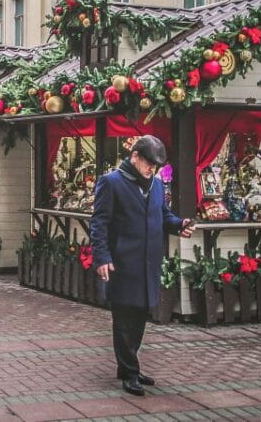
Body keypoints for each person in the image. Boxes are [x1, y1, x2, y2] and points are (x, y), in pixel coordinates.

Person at [90, 135, 195, 397]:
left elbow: (163, 214)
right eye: (149, 164)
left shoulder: (156, 185)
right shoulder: (110, 182)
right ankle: (129, 371)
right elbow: (99, 223)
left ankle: (128, 365)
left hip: (148, 263)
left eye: (156, 166)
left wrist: (178, 224)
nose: (153, 170)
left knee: (139, 316)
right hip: (123, 263)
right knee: (124, 318)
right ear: (134, 156)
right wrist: (102, 257)